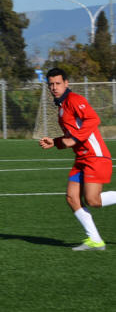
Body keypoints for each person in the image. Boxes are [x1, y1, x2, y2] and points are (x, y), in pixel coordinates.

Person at [39, 67, 116, 251]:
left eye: (58, 83)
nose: (54, 87)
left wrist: (73, 139)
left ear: (66, 83)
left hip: (95, 156)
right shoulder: (61, 107)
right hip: (81, 158)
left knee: (93, 201)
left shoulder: (75, 100)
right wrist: (55, 142)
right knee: (72, 197)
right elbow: (70, 135)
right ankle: (95, 240)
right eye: (51, 84)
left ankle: (95, 240)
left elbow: (93, 119)